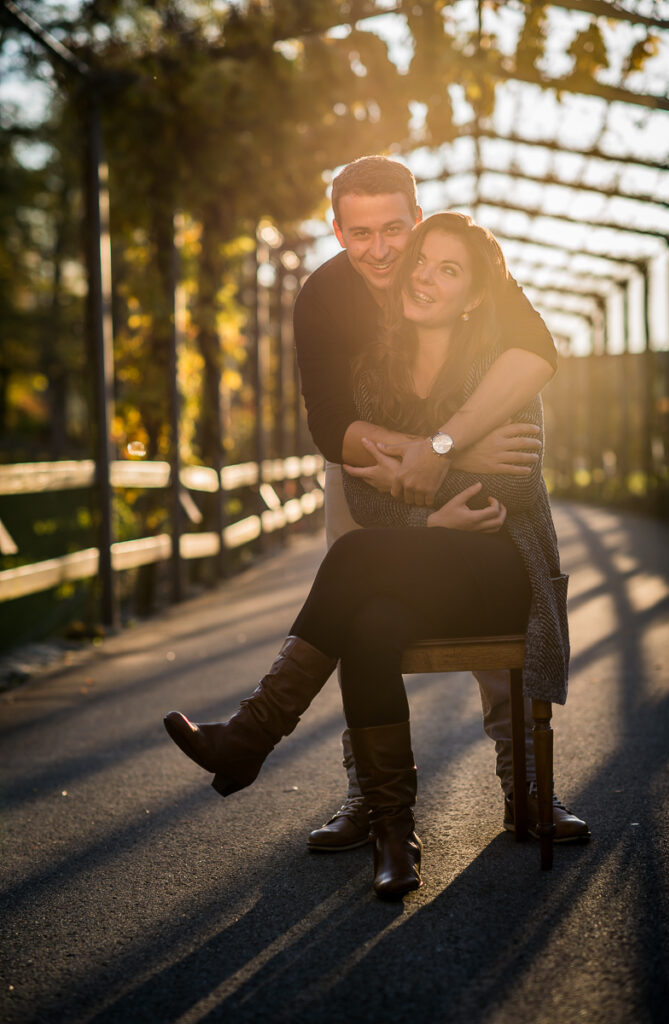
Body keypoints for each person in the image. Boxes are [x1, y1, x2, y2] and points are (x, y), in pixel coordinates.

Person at [164, 212, 577, 901]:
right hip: (424, 564)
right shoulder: (375, 370)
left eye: (450, 271)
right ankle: (393, 832)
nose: (425, 276)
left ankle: (251, 733)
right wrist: (429, 510)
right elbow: (369, 490)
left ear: (475, 294)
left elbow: (506, 486)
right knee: (369, 623)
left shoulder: (499, 366)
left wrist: (425, 465)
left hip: (501, 570)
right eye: (424, 262)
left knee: (354, 560)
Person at [293, 156, 589, 849]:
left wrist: (448, 449)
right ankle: (368, 794)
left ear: (417, 220)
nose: (381, 250)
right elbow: (332, 426)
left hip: (471, 467)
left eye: (394, 228)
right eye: (359, 233)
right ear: (337, 232)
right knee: (357, 603)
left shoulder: (460, 266)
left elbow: (538, 351)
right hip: (367, 472)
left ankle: (528, 786)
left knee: (494, 606)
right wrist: (430, 454)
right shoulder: (323, 297)